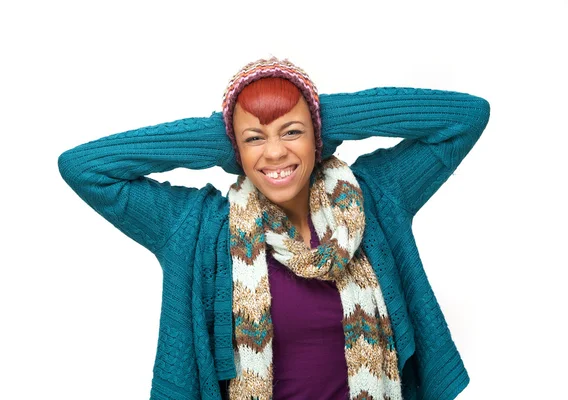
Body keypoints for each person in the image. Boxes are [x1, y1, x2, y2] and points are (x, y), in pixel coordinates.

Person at [57, 56, 490, 400]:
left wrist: (325, 117)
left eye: (292, 132)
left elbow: (466, 117)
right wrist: (223, 133)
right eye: (254, 139)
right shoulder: (197, 229)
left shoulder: (374, 199)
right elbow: (85, 168)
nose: (276, 153)